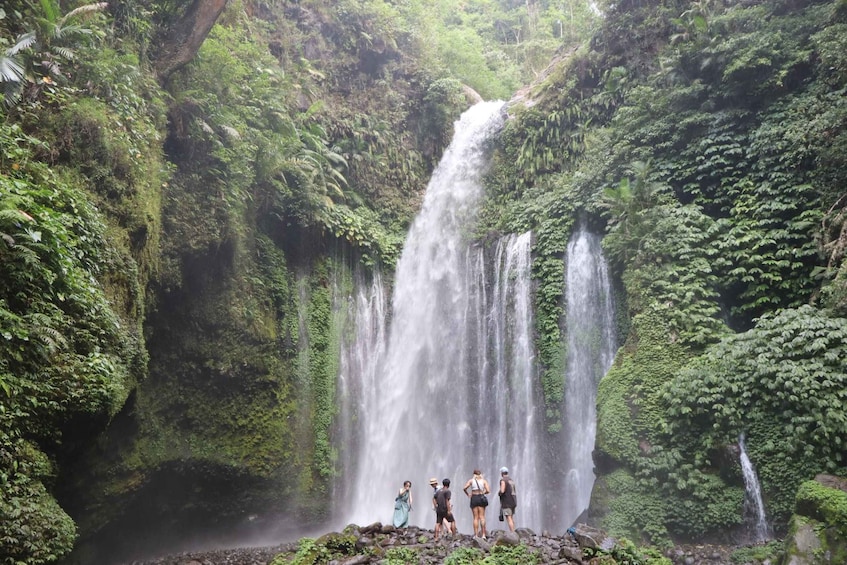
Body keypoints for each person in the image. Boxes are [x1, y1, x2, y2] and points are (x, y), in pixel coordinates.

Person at [462, 469, 490, 538]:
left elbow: (464, 488)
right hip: (481, 498)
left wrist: (468, 494)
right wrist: (482, 492)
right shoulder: (484, 481)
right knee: (482, 517)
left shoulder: (471, 481)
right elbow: (488, 490)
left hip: (474, 497)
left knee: (475, 518)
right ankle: (483, 535)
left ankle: (476, 535)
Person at [498, 466, 517, 532]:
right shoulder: (511, 480)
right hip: (513, 501)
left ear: (502, 473)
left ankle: (512, 533)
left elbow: (502, 490)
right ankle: (514, 531)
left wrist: (499, 493)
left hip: (507, 502)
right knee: (511, 517)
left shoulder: (503, 480)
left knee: (508, 518)